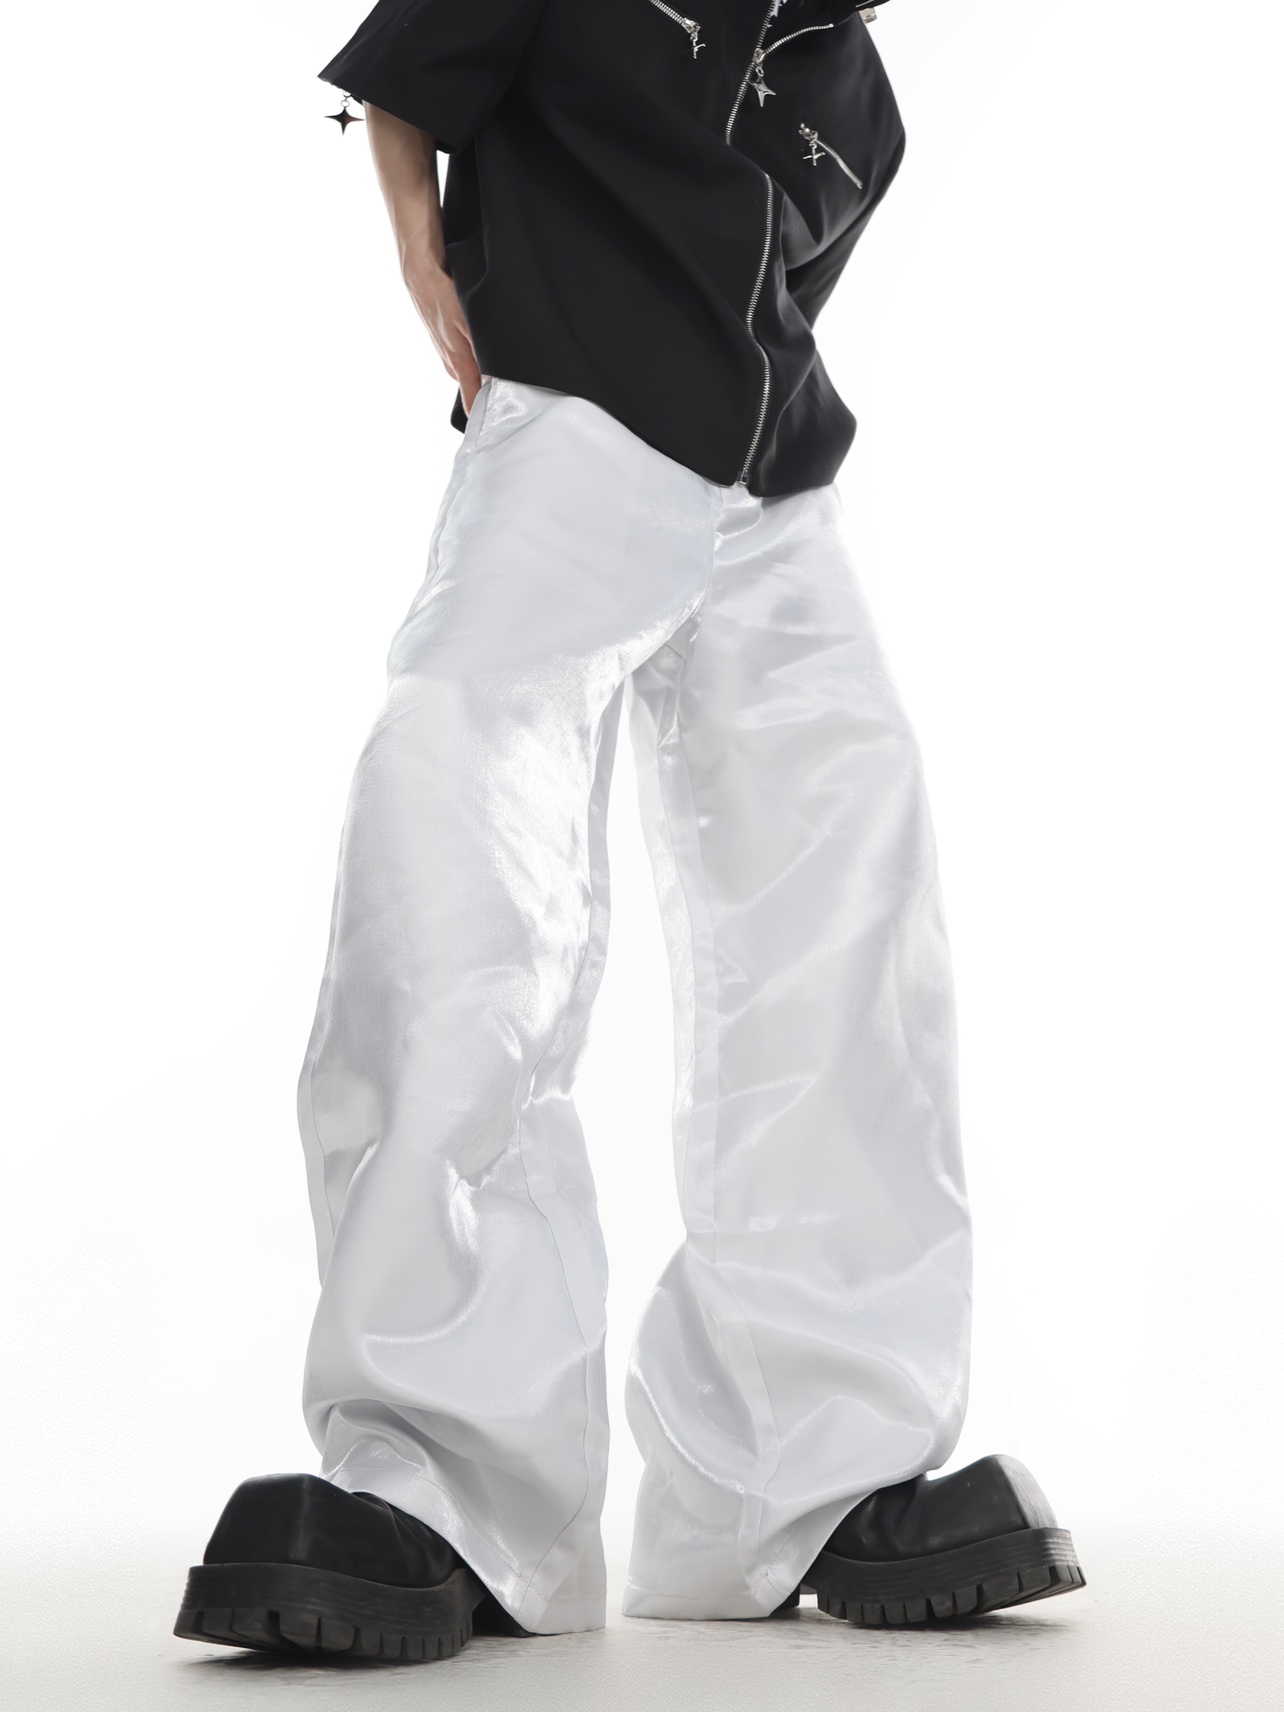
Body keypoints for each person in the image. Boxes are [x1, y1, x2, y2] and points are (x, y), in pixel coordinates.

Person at [175, 0, 1083, 1661]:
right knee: (458, 840)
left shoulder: (860, 101)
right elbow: (415, 74)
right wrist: (419, 250)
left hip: (771, 486)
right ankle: (446, 1485)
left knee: (844, 896)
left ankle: (809, 1480)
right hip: (567, 420)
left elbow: (787, 290)